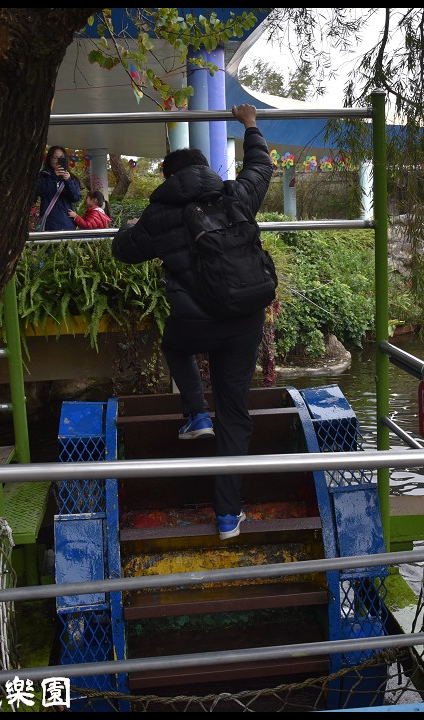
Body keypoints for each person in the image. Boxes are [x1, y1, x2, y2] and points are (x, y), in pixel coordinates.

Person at [111, 104, 273, 540]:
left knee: (174, 345)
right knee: (236, 415)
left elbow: (123, 252)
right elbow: (261, 167)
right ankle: (226, 517)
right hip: (244, 317)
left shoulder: (160, 214)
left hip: (195, 321)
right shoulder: (235, 196)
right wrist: (251, 126)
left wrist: (128, 227)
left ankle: (197, 413)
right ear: (205, 170)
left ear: (167, 177)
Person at [36, 145, 82, 231]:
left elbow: (76, 197)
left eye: (61, 157)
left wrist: (68, 181)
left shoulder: (72, 178)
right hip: (49, 223)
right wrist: (53, 177)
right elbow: (40, 192)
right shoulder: (43, 176)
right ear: (50, 160)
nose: (58, 160)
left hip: (67, 223)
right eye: (55, 157)